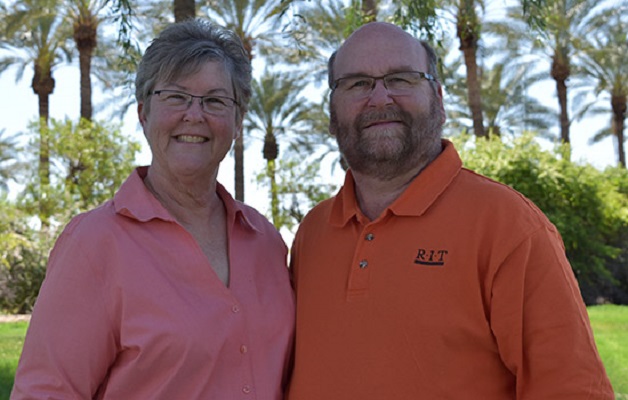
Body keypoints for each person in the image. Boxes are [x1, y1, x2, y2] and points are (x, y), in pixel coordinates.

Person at [286, 22, 614, 399]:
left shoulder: (509, 226)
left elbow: (572, 390)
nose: (379, 98)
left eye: (401, 79)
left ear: (439, 99)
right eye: (357, 83)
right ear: (331, 112)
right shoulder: (313, 232)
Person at [11, 19, 294, 399]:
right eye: (176, 96)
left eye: (214, 100)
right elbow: (45, 392)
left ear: (238, 121)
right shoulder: (95, 243)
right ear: (144, 113)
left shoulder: (267, 242)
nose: (194, 115)